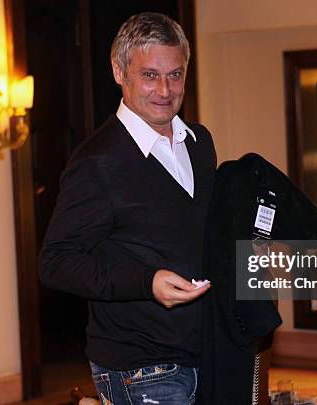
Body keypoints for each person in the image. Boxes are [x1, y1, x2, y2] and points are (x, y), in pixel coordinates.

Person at [38, 12, 216, 405]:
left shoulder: (199, 143)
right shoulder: (97, 161)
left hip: (207, 353)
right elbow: (55, 263)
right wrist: (146, 282)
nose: (165, 90)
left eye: (176, 74)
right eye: (150, 75)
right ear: (119, 72)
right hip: (139, 368)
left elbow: (194, 236)